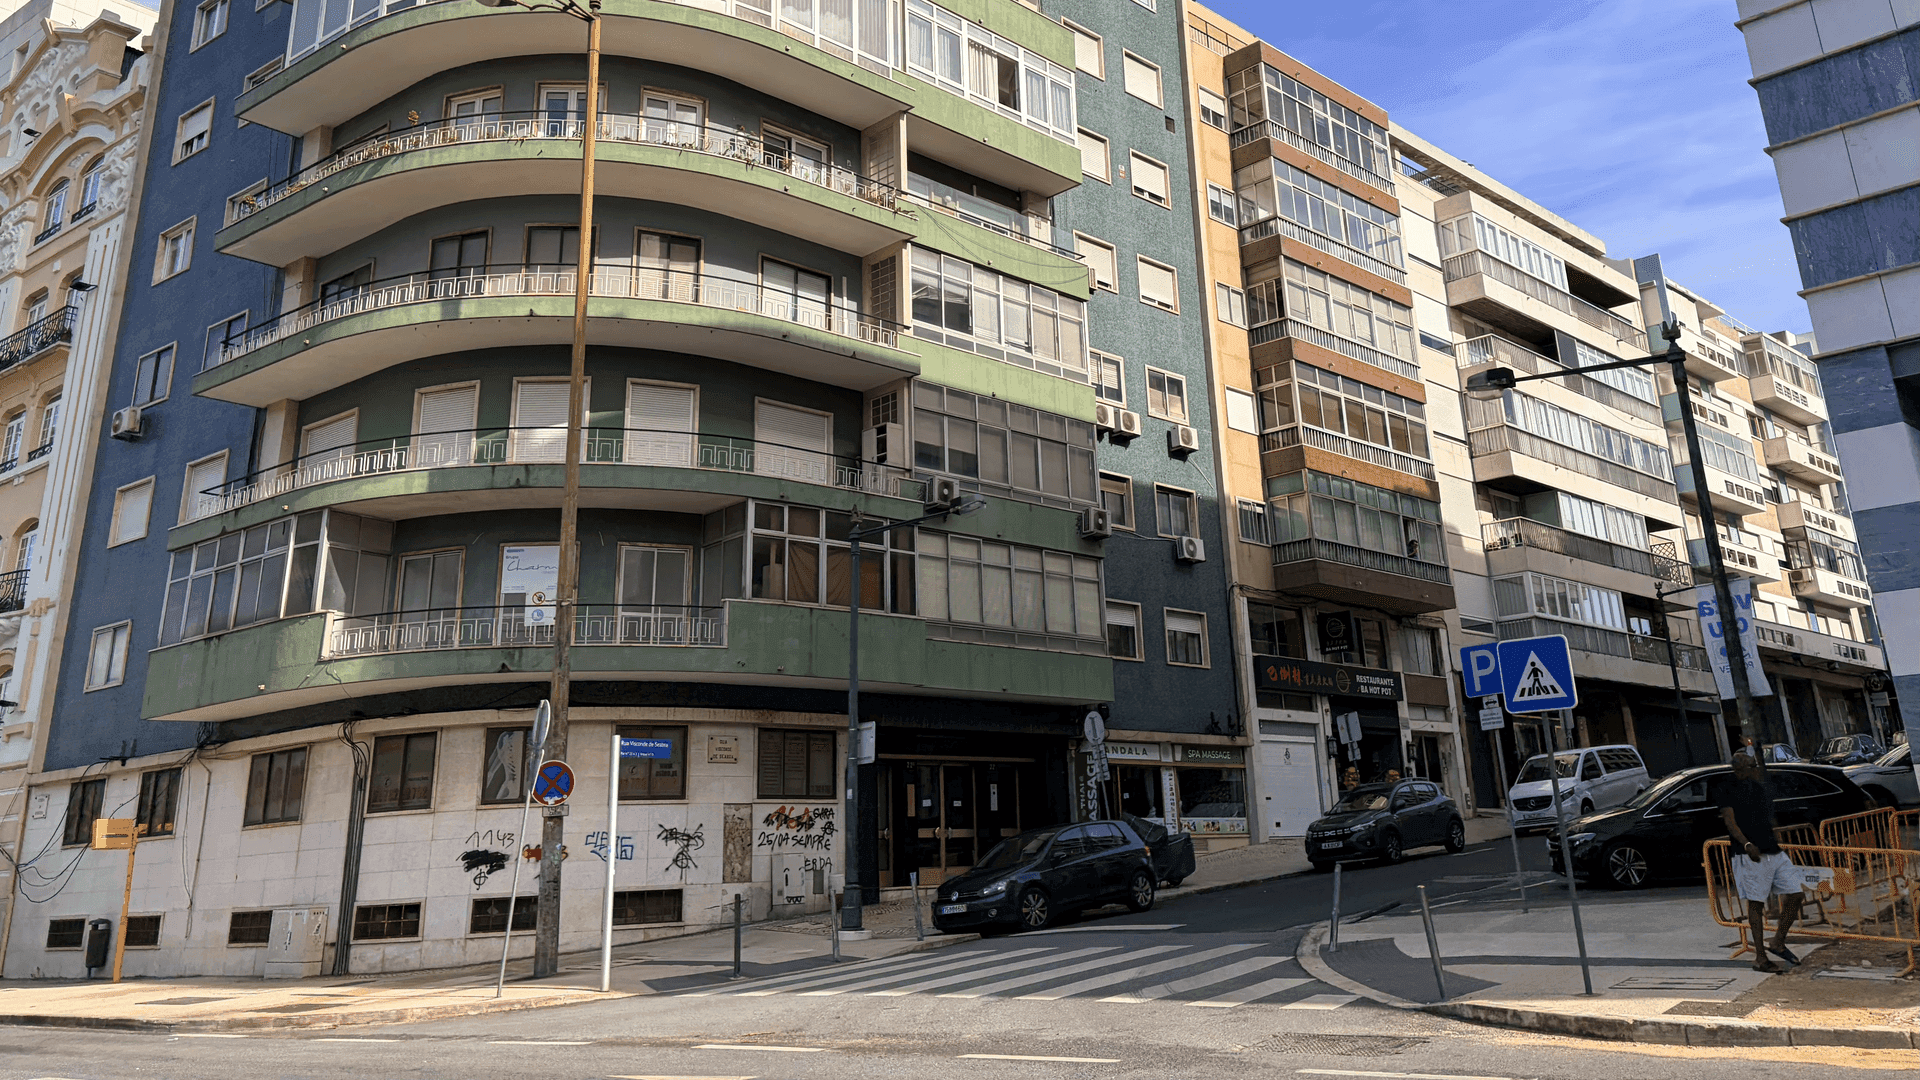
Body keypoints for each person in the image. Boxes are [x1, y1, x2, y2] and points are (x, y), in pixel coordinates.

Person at [1715, 737, 1802, 973]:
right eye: (1751, 767)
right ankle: (1760, 957)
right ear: (1739, 769)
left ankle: (1778, 941)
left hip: (1771, 848)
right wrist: (1746, 844)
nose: (1755, 770)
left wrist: (1777, 838)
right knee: (1756, 903)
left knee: (1795, 893)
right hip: (1749, 853)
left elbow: (1768, 816)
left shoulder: (1758, 787)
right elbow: (1730, 823)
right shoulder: (1727, 788)